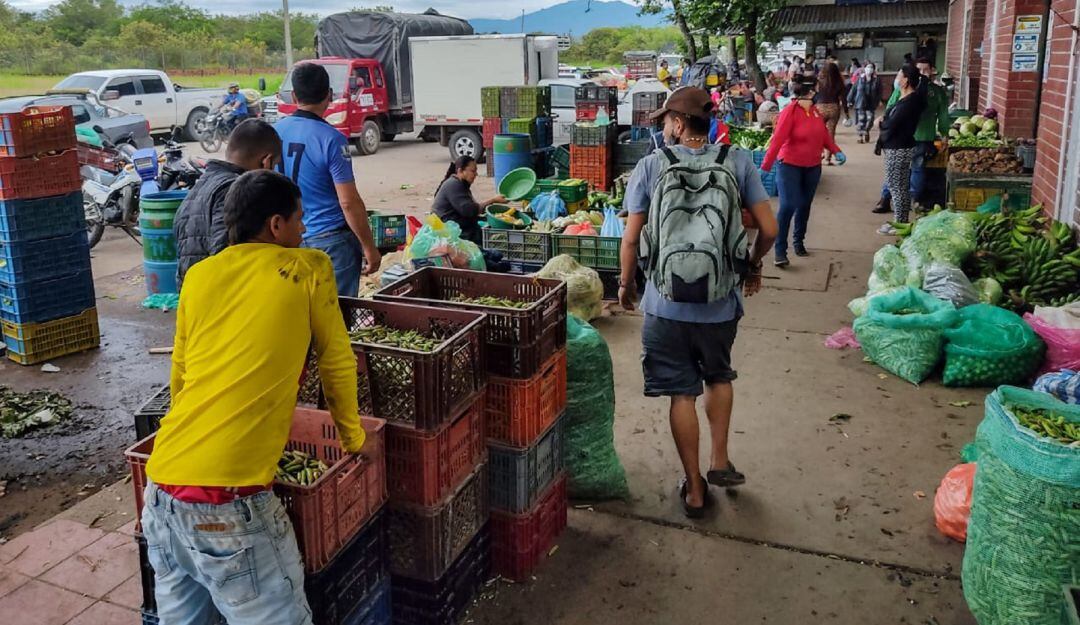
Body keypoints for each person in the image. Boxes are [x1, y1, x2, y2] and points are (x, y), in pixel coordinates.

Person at [141, 170, 366, 625]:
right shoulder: (308, 267)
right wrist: (355, 439)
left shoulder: (200, 276)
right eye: (299, 219)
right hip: (228, 505)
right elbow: (337, 362)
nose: (304, 228)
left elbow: (180, 373)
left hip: (161, 492)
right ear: (276, 225)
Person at [617, 87, 778, 518]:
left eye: (667, 121)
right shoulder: (737, 161)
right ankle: (719, 459)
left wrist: (626, 285)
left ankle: (693, 489)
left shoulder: (652, 165)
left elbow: (631, 238)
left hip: (665, 304)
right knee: (718, 375)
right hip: (719, 303)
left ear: (677, 123)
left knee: (681, 394)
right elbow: (769, 229)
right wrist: (752, 265)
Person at [275, 62, 381, 296]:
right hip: (330, 242)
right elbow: (348, 202)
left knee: (301, 309)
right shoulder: (332, 139)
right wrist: (369, 247)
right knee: (337, 311)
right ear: (329, 95)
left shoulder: (274, 132)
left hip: (289, 237)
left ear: (294, 96)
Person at [174, 119, 282, 290]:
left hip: (192, 294)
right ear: (266, 162)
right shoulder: (237, 191)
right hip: (220, 296)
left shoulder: (200, 185)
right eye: (273, 166)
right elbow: (227, 257)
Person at [761, 77, 845, 267]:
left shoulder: (815, 112)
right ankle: (780, 251)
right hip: (789, 166)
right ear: (811, 92)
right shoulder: (789, 112)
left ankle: (798, 242)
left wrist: (836, 151)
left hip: (813, 166)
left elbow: (823, 135)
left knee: (804, 205)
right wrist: (766, 166)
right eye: (816, 89)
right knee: (788, 205)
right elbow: (777, 140)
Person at [875, 65, 927, 234]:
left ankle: (900, 223)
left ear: (906, 80)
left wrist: (881, 123)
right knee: (900, 186)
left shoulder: (910, 102)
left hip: (898, 147)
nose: (896, 80)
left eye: (899, 76)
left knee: (896, 187)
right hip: (900, 146)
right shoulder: (907, 99)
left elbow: (893, 124)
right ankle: (901, 221)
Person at [432, 156, 507, 245]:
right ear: (460, 171)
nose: (476, 174)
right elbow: (470, 210)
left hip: (457, 223)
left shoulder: (460, 184)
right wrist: (493, 200)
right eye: (473, 171)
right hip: (449, 228)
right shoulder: (453, 185)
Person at [814, 62, 847, 165]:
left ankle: (818, 154)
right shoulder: (839, 82)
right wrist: (846, 113)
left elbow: (814, 95)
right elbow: (843, 99)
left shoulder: (819, 82)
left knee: (818, 133)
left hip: (820, 108)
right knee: (830, 134)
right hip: (834, 108)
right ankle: (828, 159)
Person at [848, 62, 882, 144]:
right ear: (864, 68)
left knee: (870, 119)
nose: (869, 69)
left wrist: (878, 100)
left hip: (871, 103)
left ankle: (866, 131)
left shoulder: (877, 80)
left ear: (873, 69)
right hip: (861, 102)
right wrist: (849, 100)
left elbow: (879, 92)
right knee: (861, 120)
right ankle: (861, 137)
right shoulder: (860, 79)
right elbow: (853, 90)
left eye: (871, 67)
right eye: (868, 67)